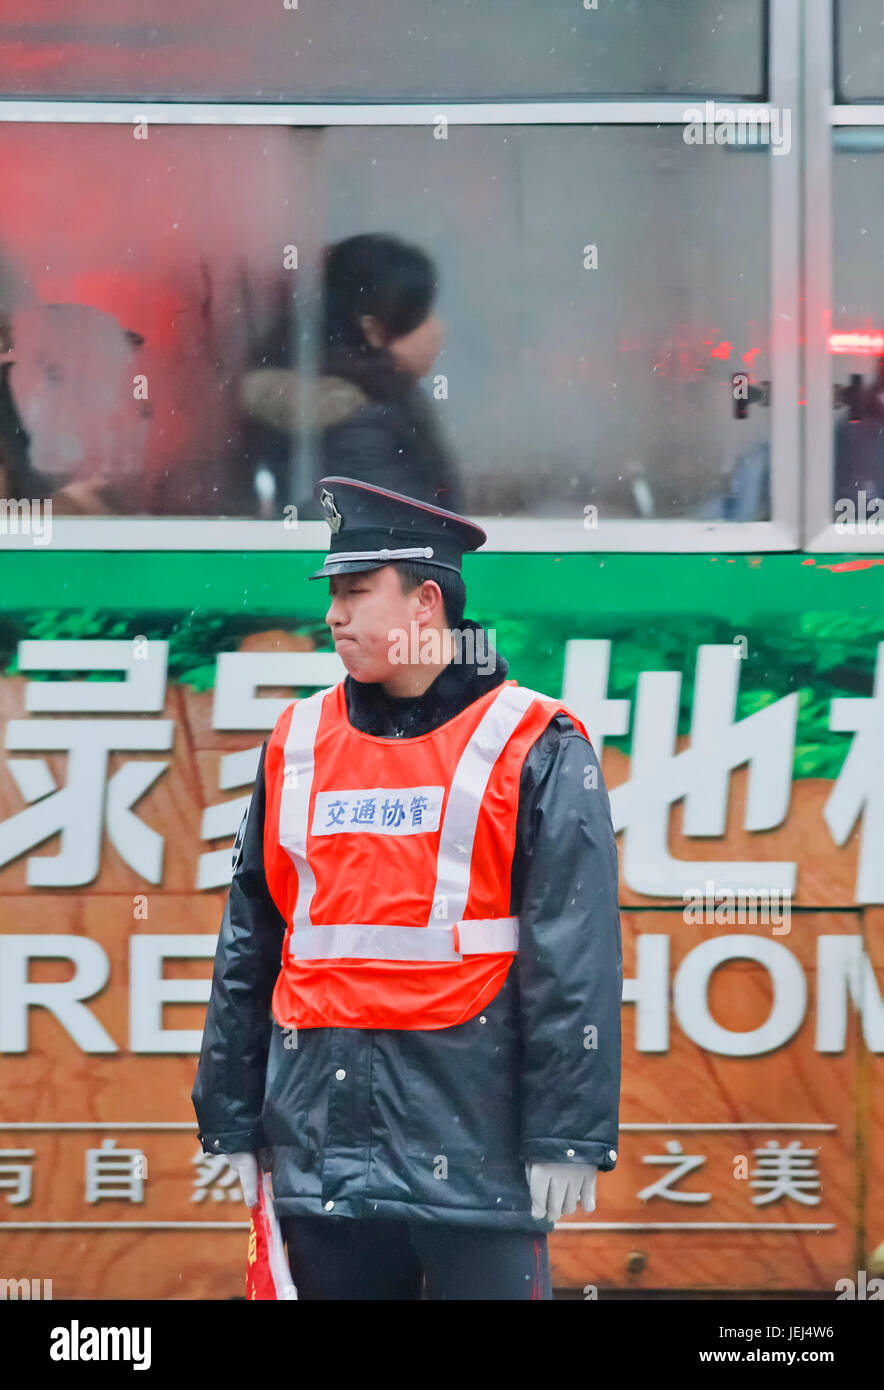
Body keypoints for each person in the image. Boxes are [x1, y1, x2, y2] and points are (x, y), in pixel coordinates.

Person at [192, 475, 622, 1300]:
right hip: (323, 1161)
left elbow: (575, 957)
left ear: (426, 603)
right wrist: (230, 1115)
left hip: (479, 1165)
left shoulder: (536, 742)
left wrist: (569, 1135)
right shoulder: (300, 741)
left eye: (356, 593)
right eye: (334, 595)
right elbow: (254, 935)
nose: (333, 616)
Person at [239, 233, 464, 515]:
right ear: (373, 329)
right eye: (421, 315)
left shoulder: (381, 393)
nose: (438, 328)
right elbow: (390, 533)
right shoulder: (355, 418)